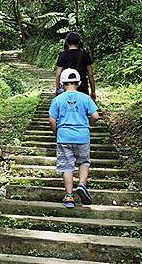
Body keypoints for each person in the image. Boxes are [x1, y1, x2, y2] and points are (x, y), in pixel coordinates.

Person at [49, 68, 99, 208]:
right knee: (83, 162)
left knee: (67, 165)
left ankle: (69, 197)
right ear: (79, 83)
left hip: (64, 137)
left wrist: (56, 132)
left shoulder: (57, 99)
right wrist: (86, 124)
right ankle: (82, 184)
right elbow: (95, 116)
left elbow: (52, 120)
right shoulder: (85, 98)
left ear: (61, 83)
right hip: (82, 136)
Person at [55, 32, 96, 100]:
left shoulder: (63, 55)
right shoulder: (85, 55)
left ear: (67, 42)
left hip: (67, 86)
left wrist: (57, 89)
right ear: (79, 42)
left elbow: (58, 75)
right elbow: (90, 74)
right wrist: (93, 91)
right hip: (82, 86)